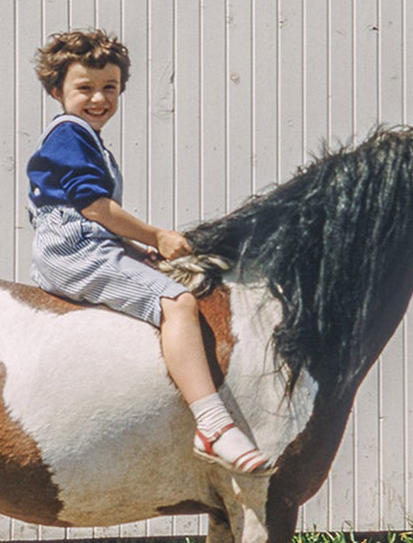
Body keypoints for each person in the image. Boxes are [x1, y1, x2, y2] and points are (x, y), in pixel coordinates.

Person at [26, 28, 272, 475]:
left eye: (110, 88)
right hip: (75, 249)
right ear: (55, 90)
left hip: (86, 243)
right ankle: (212, 425)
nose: (99, 99)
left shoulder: (85, 138)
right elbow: (93, 207)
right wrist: (155, 237)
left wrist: (136, 252)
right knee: (177, 302)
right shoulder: (70, 134)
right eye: (85, 88)